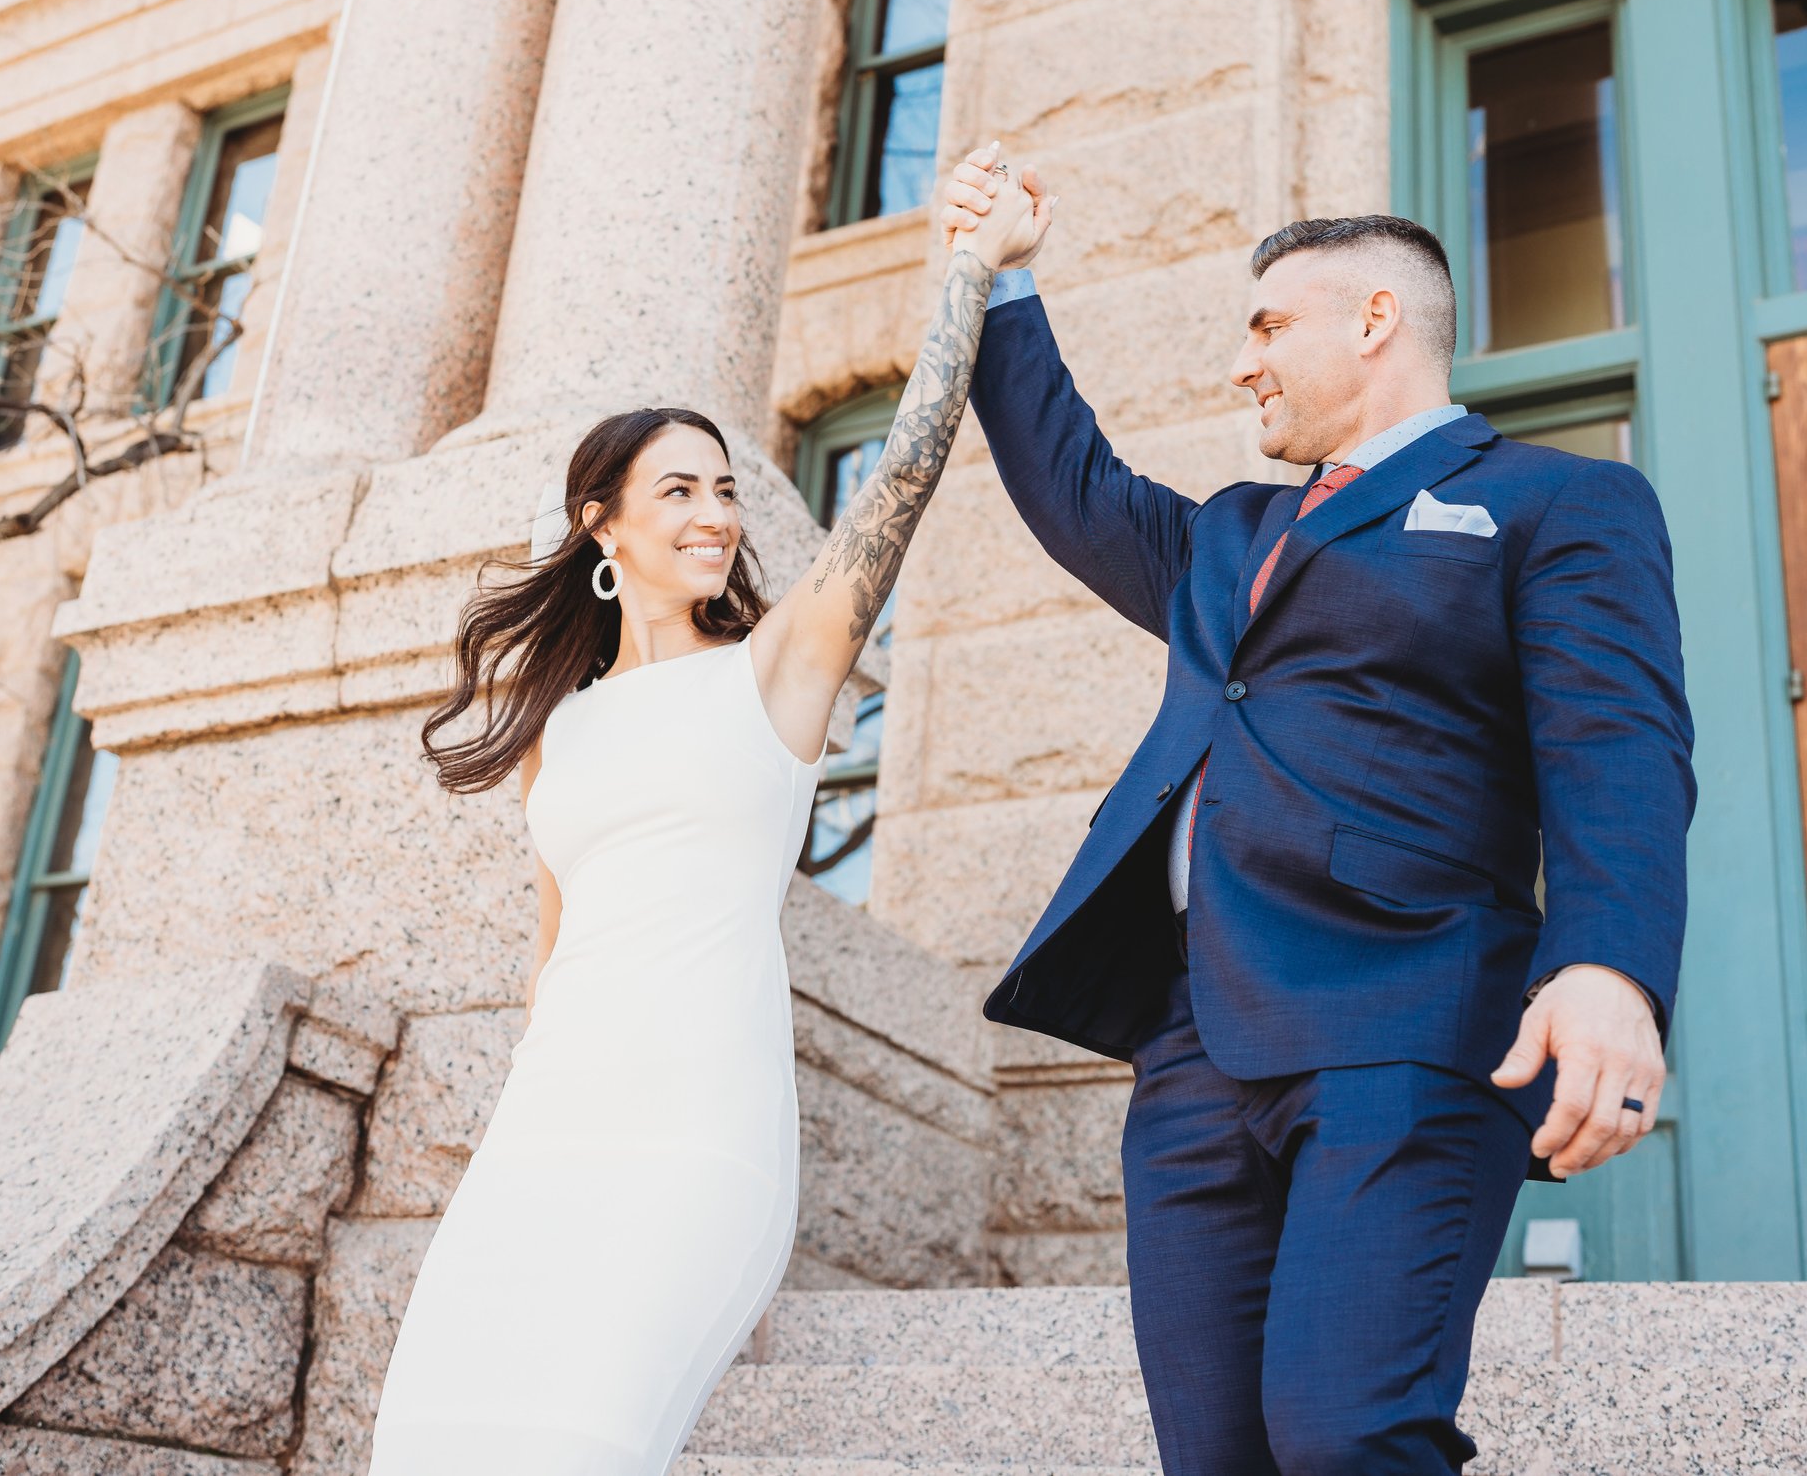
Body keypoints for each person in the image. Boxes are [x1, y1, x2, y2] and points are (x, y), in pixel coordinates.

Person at [940, 148, 1695, 1475]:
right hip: (1194, 1048)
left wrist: (1608, 971)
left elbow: (1618, 743)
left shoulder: (1555, 503)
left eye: (1268, 325)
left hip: (1405, 1017)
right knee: (1216, 1457)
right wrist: (1005, 278)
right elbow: (1070, 485)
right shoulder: (1225, 536)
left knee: (1348, 1437)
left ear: (1375, 320)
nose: (1244, 365)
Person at [366, 157, 1043, 1473]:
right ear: (600, 523)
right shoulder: (556, 734)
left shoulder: (779, 671)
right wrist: (512, 1134)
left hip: (695, 1133)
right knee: (432, 1440)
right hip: (547, 1137)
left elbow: (903, 474)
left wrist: (971, 276)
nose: (716, 511)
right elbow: (553, 961)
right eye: (678, 488)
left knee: (586, 1441)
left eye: (726, 486)